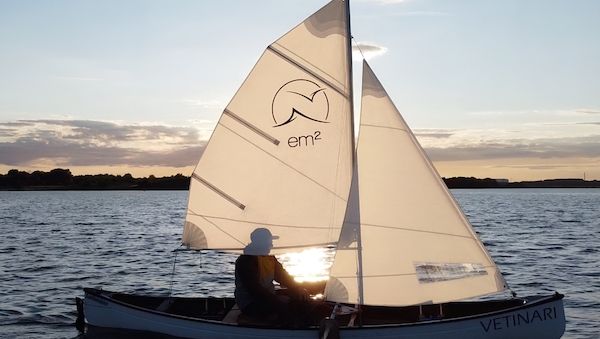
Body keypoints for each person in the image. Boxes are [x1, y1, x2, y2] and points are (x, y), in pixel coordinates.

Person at [234, 228, 310, 326]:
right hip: (250, 302)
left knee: (299, 297)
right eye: (269, 242)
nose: (272, 245)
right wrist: (277, 300)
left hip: (268, 296)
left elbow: (283, 277)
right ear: (259, 243)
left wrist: (297, 288)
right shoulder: (246, 261)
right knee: (284, 308)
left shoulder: (270, 258)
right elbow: (254, 290)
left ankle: (306, 324)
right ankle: (289, 330)